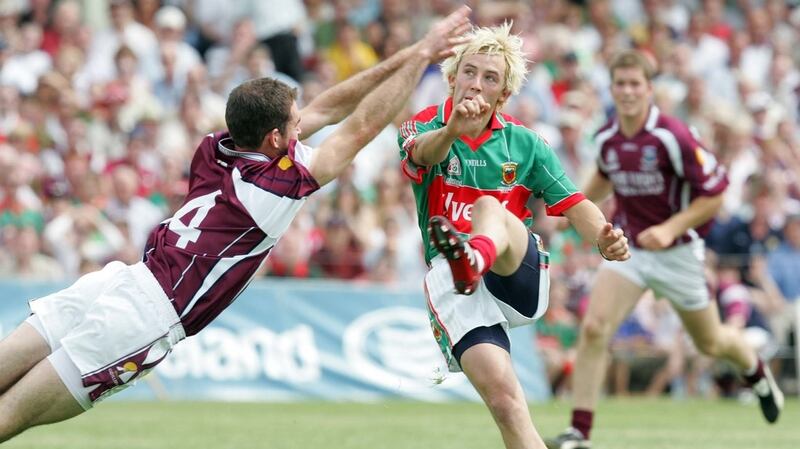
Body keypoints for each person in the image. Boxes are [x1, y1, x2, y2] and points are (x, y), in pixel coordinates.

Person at [0, 6, 472, 442]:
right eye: (293, 124)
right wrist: (424, 58)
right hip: (144, 316)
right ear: (274, 137)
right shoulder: (270, 192)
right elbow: (360, 126)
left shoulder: (216, 147)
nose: (301, 127)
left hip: (118, 280)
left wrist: (414, 50)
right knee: (10, 415)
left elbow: (329, 107)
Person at [397, 23, 630, 449]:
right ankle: (467, 263)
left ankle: (474, 257)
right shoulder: (423, 125)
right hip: (455, 283)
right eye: (469, 72)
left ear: (503, 94)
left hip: (511, 268)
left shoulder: (527, 143)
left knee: (490, 208)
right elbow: (423, 153)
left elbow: (575, 204)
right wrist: (452, 130)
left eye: (491, 78)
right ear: (452, 77)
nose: (476, 84)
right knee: (506, 404)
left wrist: (604, 237)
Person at [545, 50, 784, 449]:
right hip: (631, 250)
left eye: (635, 83)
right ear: (612, 88)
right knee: (594, 327)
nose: (627, 91)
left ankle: (755, 369)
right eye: (620, 83)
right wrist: (568, 208)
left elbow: (716, 194)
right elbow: (602, 182)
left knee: (711, 342)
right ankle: (579, 433)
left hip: (678, 253)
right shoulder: (606, 137)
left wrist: (669, 228)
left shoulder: (673, 135)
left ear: (649, 89)